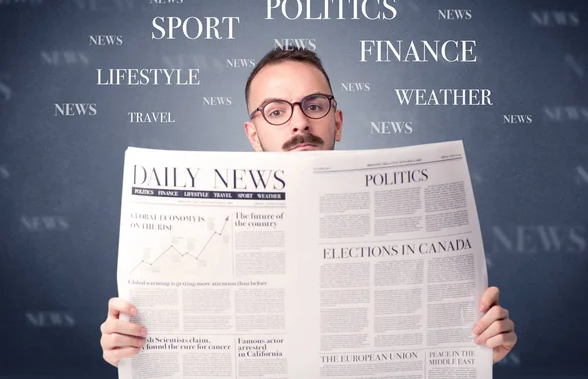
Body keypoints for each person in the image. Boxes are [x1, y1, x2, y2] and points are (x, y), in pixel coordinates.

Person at [100, 47, 517, 367]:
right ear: (253, 134)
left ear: (336, 121)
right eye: (276, 111)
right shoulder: (192, 238)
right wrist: (131, 347)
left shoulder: (413, 220)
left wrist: (481, 349)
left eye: (313, 105)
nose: (299, 122)